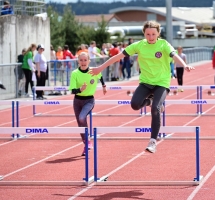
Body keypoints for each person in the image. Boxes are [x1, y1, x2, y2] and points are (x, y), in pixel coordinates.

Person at [88, 20, 194, 153]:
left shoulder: (163, 44)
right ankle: (150, 101)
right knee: (135, 105)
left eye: (153, 34)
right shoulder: (139, 45)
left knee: (156, 109)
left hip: (162, 82)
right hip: (146, 82)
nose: (150, 37)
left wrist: (185, 65)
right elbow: (118, 57)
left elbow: (174, 55)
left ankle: (153, 142)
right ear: (144, 33)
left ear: (158, 34)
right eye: (148, 34)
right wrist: (100, 68)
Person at [69, 52, 107, 156]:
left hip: (89, 100)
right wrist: (80, 89)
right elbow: (72, 91)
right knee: (80, 125)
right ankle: (86, 144)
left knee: (82, 118)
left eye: (85, 60)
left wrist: (104, 86)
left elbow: (100, 76)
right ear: (78, 61)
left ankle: (88, 140)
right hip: (77, 101)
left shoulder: (93, 71)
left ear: (89, 61)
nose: (83, 62)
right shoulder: (75, 73)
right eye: (81, 60)